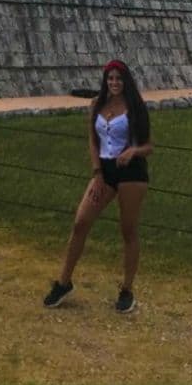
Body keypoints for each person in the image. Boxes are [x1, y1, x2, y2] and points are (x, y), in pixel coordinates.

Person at [43, 59, 152, 313]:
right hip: (105, 170)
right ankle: (64, 281)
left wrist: (134, 151)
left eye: (118, 79)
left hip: (131, 172)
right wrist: (97, 172)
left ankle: (127, 289)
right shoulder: (96, 105)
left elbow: (149, 146)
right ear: (105, 81)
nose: (114, 83)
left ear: (126, 81)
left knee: (128, 230)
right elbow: (93, 141)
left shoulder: (135, 107)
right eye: (110, 79)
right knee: (80, 222)